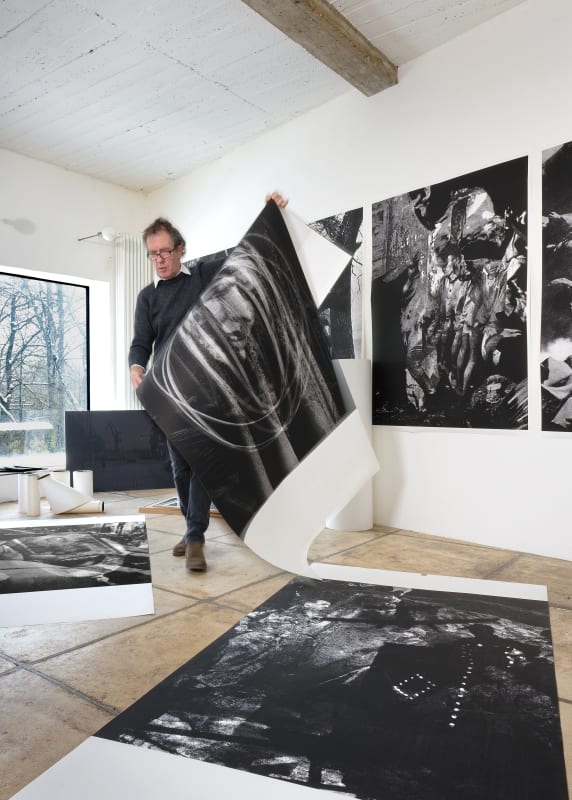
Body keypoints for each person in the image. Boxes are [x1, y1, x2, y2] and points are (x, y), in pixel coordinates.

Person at [128, 193, 288, 574]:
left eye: (166, 251)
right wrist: (136, 366)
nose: (160, 259)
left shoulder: (201, 276)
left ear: (180, 250)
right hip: (166, 396)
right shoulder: (147, 298)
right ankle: (191, 528)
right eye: (153, 254)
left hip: (206, 389)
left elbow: (243, 251)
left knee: (201, 464)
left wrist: (268, 211)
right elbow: (140, 343)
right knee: (180, 468)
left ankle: (197, 536)